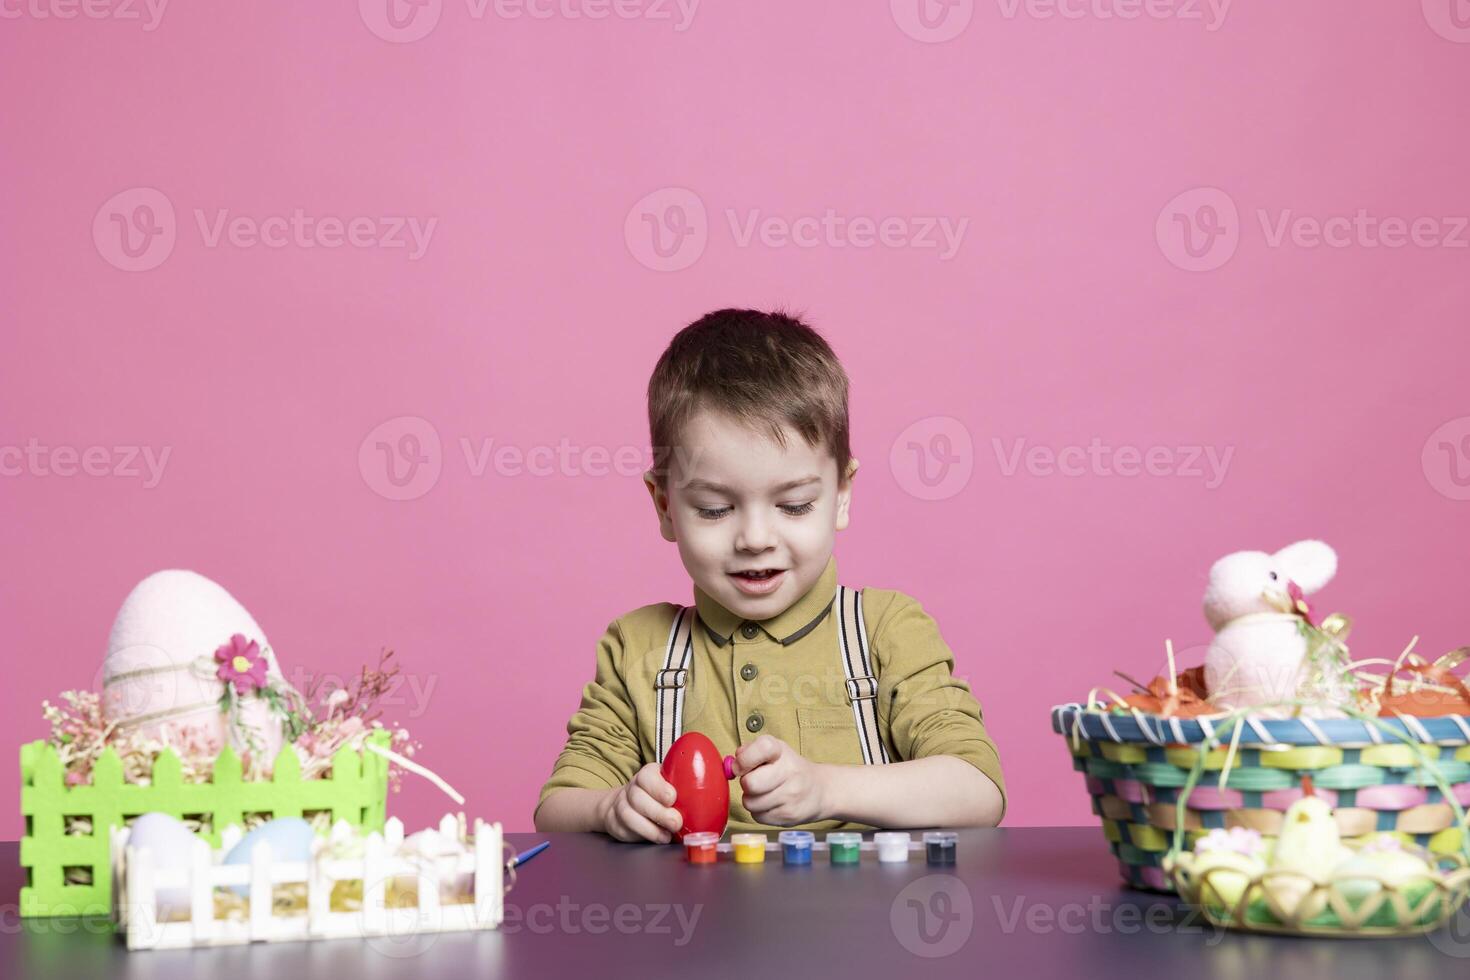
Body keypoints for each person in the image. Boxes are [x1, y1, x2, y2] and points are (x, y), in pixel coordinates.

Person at [534, 308, 1005, 841]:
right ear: (665, 507)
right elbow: (556, 810)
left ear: (841, 497)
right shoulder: (637, 648)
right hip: (694, 922)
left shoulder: (885, 629)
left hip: (860, 922)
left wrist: (829, 789)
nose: (755, 538)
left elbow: (978, 789)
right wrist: (610, 808)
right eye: (715, 509)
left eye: (795, 505)